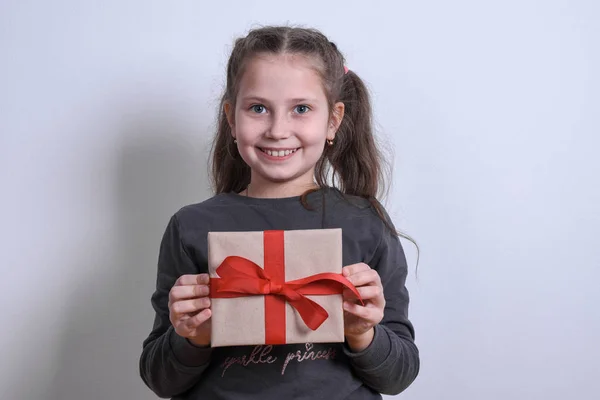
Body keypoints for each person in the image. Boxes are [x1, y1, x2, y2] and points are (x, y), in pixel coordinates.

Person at [139, 25, 420, 399]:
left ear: (333, 120)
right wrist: (192, 335)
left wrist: (363, 332)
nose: (277, 129)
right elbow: (160, 379)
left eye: (301, 109)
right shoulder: (191, 226)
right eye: (258, 108)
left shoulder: (364, 223)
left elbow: (398, 376)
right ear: (231, 118)